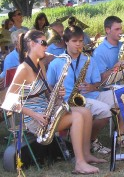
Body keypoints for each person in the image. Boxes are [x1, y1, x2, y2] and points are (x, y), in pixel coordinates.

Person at [6, 30, 101, 174]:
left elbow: (46, 93)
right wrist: (35, 115)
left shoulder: (40, 65)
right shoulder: (23, 69)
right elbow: (8, 101)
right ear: (32, 44)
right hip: (35, 120)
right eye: (43, 43)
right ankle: (80, 163)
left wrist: (56, 94)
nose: (47, 46)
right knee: (77, 117)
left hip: (47, 111)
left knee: (86, 112)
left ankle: (86, 154)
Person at [47, 26, 112, 154]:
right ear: (66, 42)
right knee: (105, 110)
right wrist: (56, 94)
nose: (78, 44)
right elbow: (49, 85)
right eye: (74, 41)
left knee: (115, 101)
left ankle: (91, 140)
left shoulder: (88, 59)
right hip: (67, 101)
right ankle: (86, 143)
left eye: (81, 41)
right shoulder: (57, 62)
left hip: (89, 96)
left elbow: (97, 83)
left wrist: (92, 87)